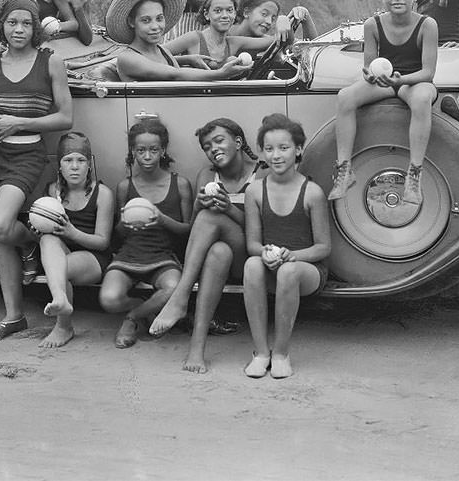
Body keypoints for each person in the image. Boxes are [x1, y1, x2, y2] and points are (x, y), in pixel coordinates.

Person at [0, 0, 73, 342]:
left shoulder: (50, 61)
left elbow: (65, 117)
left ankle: (32, 242)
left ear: (36, 28)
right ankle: (14, 316)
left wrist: (17, 123)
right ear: (1, 24)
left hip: (28, 155)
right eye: (12, 22)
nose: (19, 30)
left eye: (27, 23)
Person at [149, 118, 262, 373]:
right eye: (207, 146)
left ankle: (180, 297)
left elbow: (263, 231)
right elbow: (194, 228)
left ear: (238, 142)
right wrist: (201, 205)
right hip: (222, 257)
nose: (213, 149)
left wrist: (229, 209)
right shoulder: (207, 175)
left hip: (252, 257)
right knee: (217, 252)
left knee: (213, 217)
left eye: (219, 141)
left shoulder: (261, 173)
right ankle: (196, 349)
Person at [329, 0, 438, 205]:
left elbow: (428, 72)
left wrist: (401, 79)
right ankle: (344, 169)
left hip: (414, 81)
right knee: (345, 96)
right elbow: (368, 67)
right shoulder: (373, 25)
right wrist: (370, 76)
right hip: (386, 82)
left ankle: (414, 175)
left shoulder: (427, 25)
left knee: (421, 99)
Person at [242, 114, 329, 380]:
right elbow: (252, 244)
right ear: (261, 153)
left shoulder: (312, 192)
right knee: (251, 264)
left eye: (284, 148)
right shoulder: (255, 191)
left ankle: (280, 353)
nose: (276, 155)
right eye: (269, 149)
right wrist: (265, 254)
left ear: (299, 149)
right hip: (272, 267)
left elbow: (323, 247)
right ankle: (261, 353)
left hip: (306, 270)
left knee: (288, 272)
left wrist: (291, 257)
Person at [100, 119, 192, 349]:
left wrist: (161, 219)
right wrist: (125, 223)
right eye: (141, 150)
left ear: (163, 151)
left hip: (163, 256)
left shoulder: (179, 184)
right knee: (109, 299)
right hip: (129, 255)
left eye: (153, 150)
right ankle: (145, 305)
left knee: (173, 288)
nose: (147, 156)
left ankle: (133, 317)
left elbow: (188, 230)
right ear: (133, 152)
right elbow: (118, 234)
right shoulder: (124, 186)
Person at [35, 132, 115, 348]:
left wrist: (72, 233)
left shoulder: (102, 193)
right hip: (62, 252)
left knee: (61, 268)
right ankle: (61, 302)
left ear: (89, 165)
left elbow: (103, 242)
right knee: (46, 241)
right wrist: (37, 225)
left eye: (81, 160)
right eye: (68, 160)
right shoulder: (53, 191)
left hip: (94, 257)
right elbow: (46, 231)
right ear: (59, 166)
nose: (74, 166)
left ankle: (63, 325)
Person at [105, 0, 249, 82]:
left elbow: (160, 62)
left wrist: (188, 59)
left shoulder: (162, 51)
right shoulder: (127, 58)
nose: (155, 27)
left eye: (159, 18)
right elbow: (174, 74)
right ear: (132, 22)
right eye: (146, 20)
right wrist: (221, 74)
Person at [165, 0, 273, 68]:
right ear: (207, 14)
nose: (225, 15)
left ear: (235, 13)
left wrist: (283, 21)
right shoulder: (194, 38)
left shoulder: (233, 42)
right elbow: (152, 55)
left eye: (230, 10)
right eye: (218, 11)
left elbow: (277, 40)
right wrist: (187, 60)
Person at [230, 0, 317, 49]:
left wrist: (305, 16)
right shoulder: (223, 34)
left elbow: (311, 50)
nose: (269, 22)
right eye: (264, 14)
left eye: (273, 18)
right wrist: (283, 20)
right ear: (246, 12)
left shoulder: (267, 41)